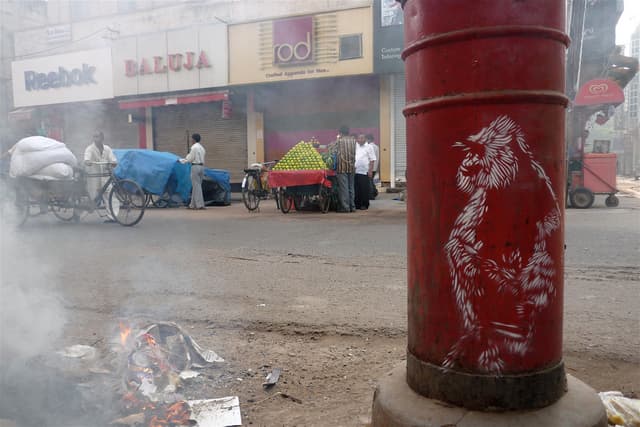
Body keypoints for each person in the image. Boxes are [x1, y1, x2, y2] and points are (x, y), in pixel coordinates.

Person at [84, 131, 117, 206]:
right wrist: (88, 161)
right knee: (92, 198)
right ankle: (78, 212)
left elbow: (113, 159)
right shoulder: (90, 149)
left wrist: (114, 162)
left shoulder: (107, 149)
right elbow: (87, 158)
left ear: (102, 138)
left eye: (97, 137)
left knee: (110, 195)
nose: (95, 139)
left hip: (105, 176)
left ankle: (112, 216)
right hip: (94, 177)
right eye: (94, 137)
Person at [330, 126, 357, 212]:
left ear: (340, 132)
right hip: (352, 166)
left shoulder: (339, 141)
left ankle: (345, 207)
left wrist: (337, 139)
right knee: (351, 188)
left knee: (343, 188)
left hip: (342, 167)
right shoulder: (353, 140)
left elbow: (331, 149)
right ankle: (352, 207)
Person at [180, 133, 206, 209]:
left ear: (194, 139)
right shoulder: (202, 148)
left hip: (195, 167)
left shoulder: (194, 147)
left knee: (196, 187)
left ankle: (200, 205)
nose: (191, 140)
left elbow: (190, 158)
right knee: (196, 186)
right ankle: (192, 205)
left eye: (192, 139)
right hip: (202, 167)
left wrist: (182, 161)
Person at [354, 134, 376, 210]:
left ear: (365, 139)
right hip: (356, 171)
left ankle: (364, 204)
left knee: (364, 188)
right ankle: (357, 204)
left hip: (364, 171)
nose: (360, 140)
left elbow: (372, 160)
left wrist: (370, 171)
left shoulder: (369, 147)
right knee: (356, 189)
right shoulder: (356, 146)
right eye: (359, 138)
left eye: (362, 138)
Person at [366, 134, 379, 200]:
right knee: (371, 181)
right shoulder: (376, 146)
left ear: (369, 139)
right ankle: (374, 192)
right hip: (375, 167)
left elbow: (370, 158)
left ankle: (371, 195)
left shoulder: (370, 147)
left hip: (370, 167)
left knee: (369, 182)